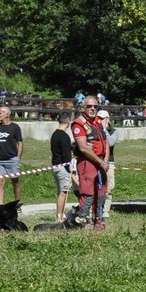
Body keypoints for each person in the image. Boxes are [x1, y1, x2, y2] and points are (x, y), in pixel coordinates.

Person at [69, 97, 109, 229]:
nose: (93, 109)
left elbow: (105, 142)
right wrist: (100, 161)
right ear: (82, 108)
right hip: (87, 162)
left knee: (101, 192)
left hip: (101, 162)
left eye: (95, 107)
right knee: (87, 193)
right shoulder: (78, 123)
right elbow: (83, 147)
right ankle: (83, 221)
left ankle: (98, 220)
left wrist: (105, 160)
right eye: (90, 106)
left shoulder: (98, 122)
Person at [0, 104, 24, 206]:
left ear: (7, 114)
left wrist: (18, 157)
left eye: (0, 112)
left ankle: (16, 204)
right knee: (0, 182)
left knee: (15, 181)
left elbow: (20, 143)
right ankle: (1, 206)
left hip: (12, 159)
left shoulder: (15, 127)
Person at [50, 112, 74, 225]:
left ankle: (59, 214)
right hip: (62, 167)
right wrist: (70, 169)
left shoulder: (54, 134)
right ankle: (59, 216)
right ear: (68, 121)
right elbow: (66, 155)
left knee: (60, 191)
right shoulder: (64, 136)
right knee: (63, 192)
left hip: (55, 165)